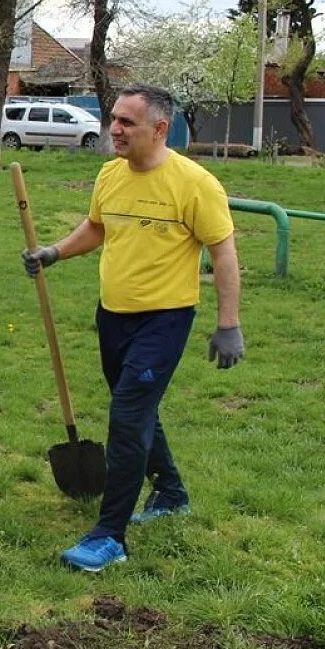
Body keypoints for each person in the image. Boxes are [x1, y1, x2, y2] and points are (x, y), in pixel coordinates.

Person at [21, 83, 244, 573]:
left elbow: (223, 251)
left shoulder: (195, 184)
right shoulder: (110, 175)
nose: (114, 130)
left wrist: (228, 324)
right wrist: (55, 251)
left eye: (127, 123)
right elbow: (98, 227)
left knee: (126, 417)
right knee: (135, 406)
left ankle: (110, 535)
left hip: (164, 319)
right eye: (114, 119)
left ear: (160, 129)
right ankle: (171, 491)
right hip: (112, 315)